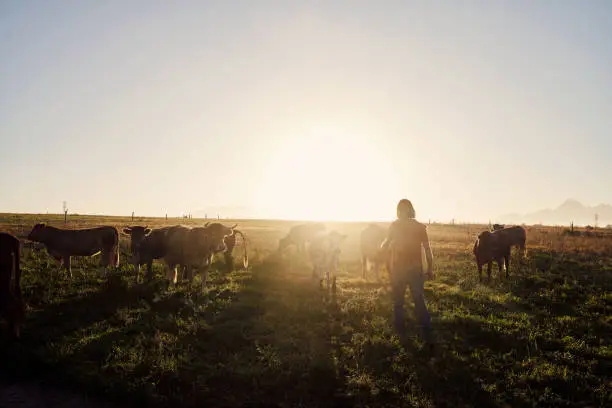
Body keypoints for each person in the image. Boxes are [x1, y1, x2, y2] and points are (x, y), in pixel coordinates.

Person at [380, 199, 434, 349]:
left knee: (398, 301)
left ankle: (400, 332)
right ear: (411, 210)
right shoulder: (420, 227)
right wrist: (430, 268)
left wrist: (384, 248)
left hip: (398, 269)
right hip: (416, 269)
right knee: (419, 300)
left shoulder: (394, 226)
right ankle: (427, 332)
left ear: (398, 210)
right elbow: (428, 251)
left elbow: (385, 246)